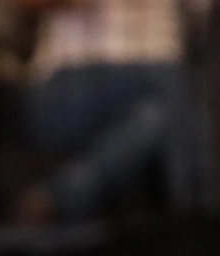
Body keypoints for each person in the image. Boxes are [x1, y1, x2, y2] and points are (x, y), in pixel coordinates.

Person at [13, 0, 192, 224]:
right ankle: (195, 218)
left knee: (156, 114)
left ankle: (59, 196)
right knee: (171, 87)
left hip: (155, 80)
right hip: (68, 83)